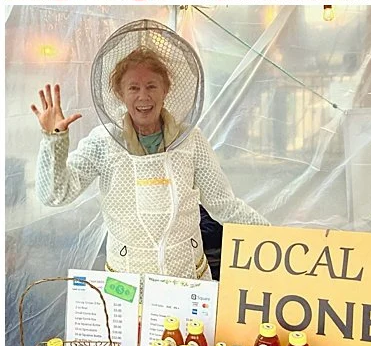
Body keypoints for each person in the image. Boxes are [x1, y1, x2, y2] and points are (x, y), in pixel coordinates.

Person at [33, 19, 264, 277]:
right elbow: (55, 195)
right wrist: (54, 140)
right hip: (127, 288)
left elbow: (224, 205)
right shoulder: (104, 142)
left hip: (188, 281)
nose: (143, 96)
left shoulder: (190, 140)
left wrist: (277, 237)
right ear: (120, 94)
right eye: (133, 87)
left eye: (151, 86)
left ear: (166, 90)